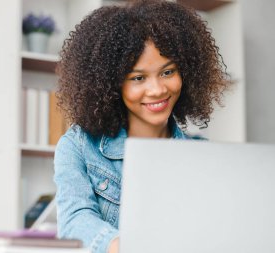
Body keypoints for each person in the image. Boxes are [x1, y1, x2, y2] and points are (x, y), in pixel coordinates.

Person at [53, 0, 231, 252]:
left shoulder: (203, 155)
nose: (157, 89)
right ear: (111, 84)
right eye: (138, 78)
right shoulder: (79, 147)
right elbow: (74, 221)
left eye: (168, 72)